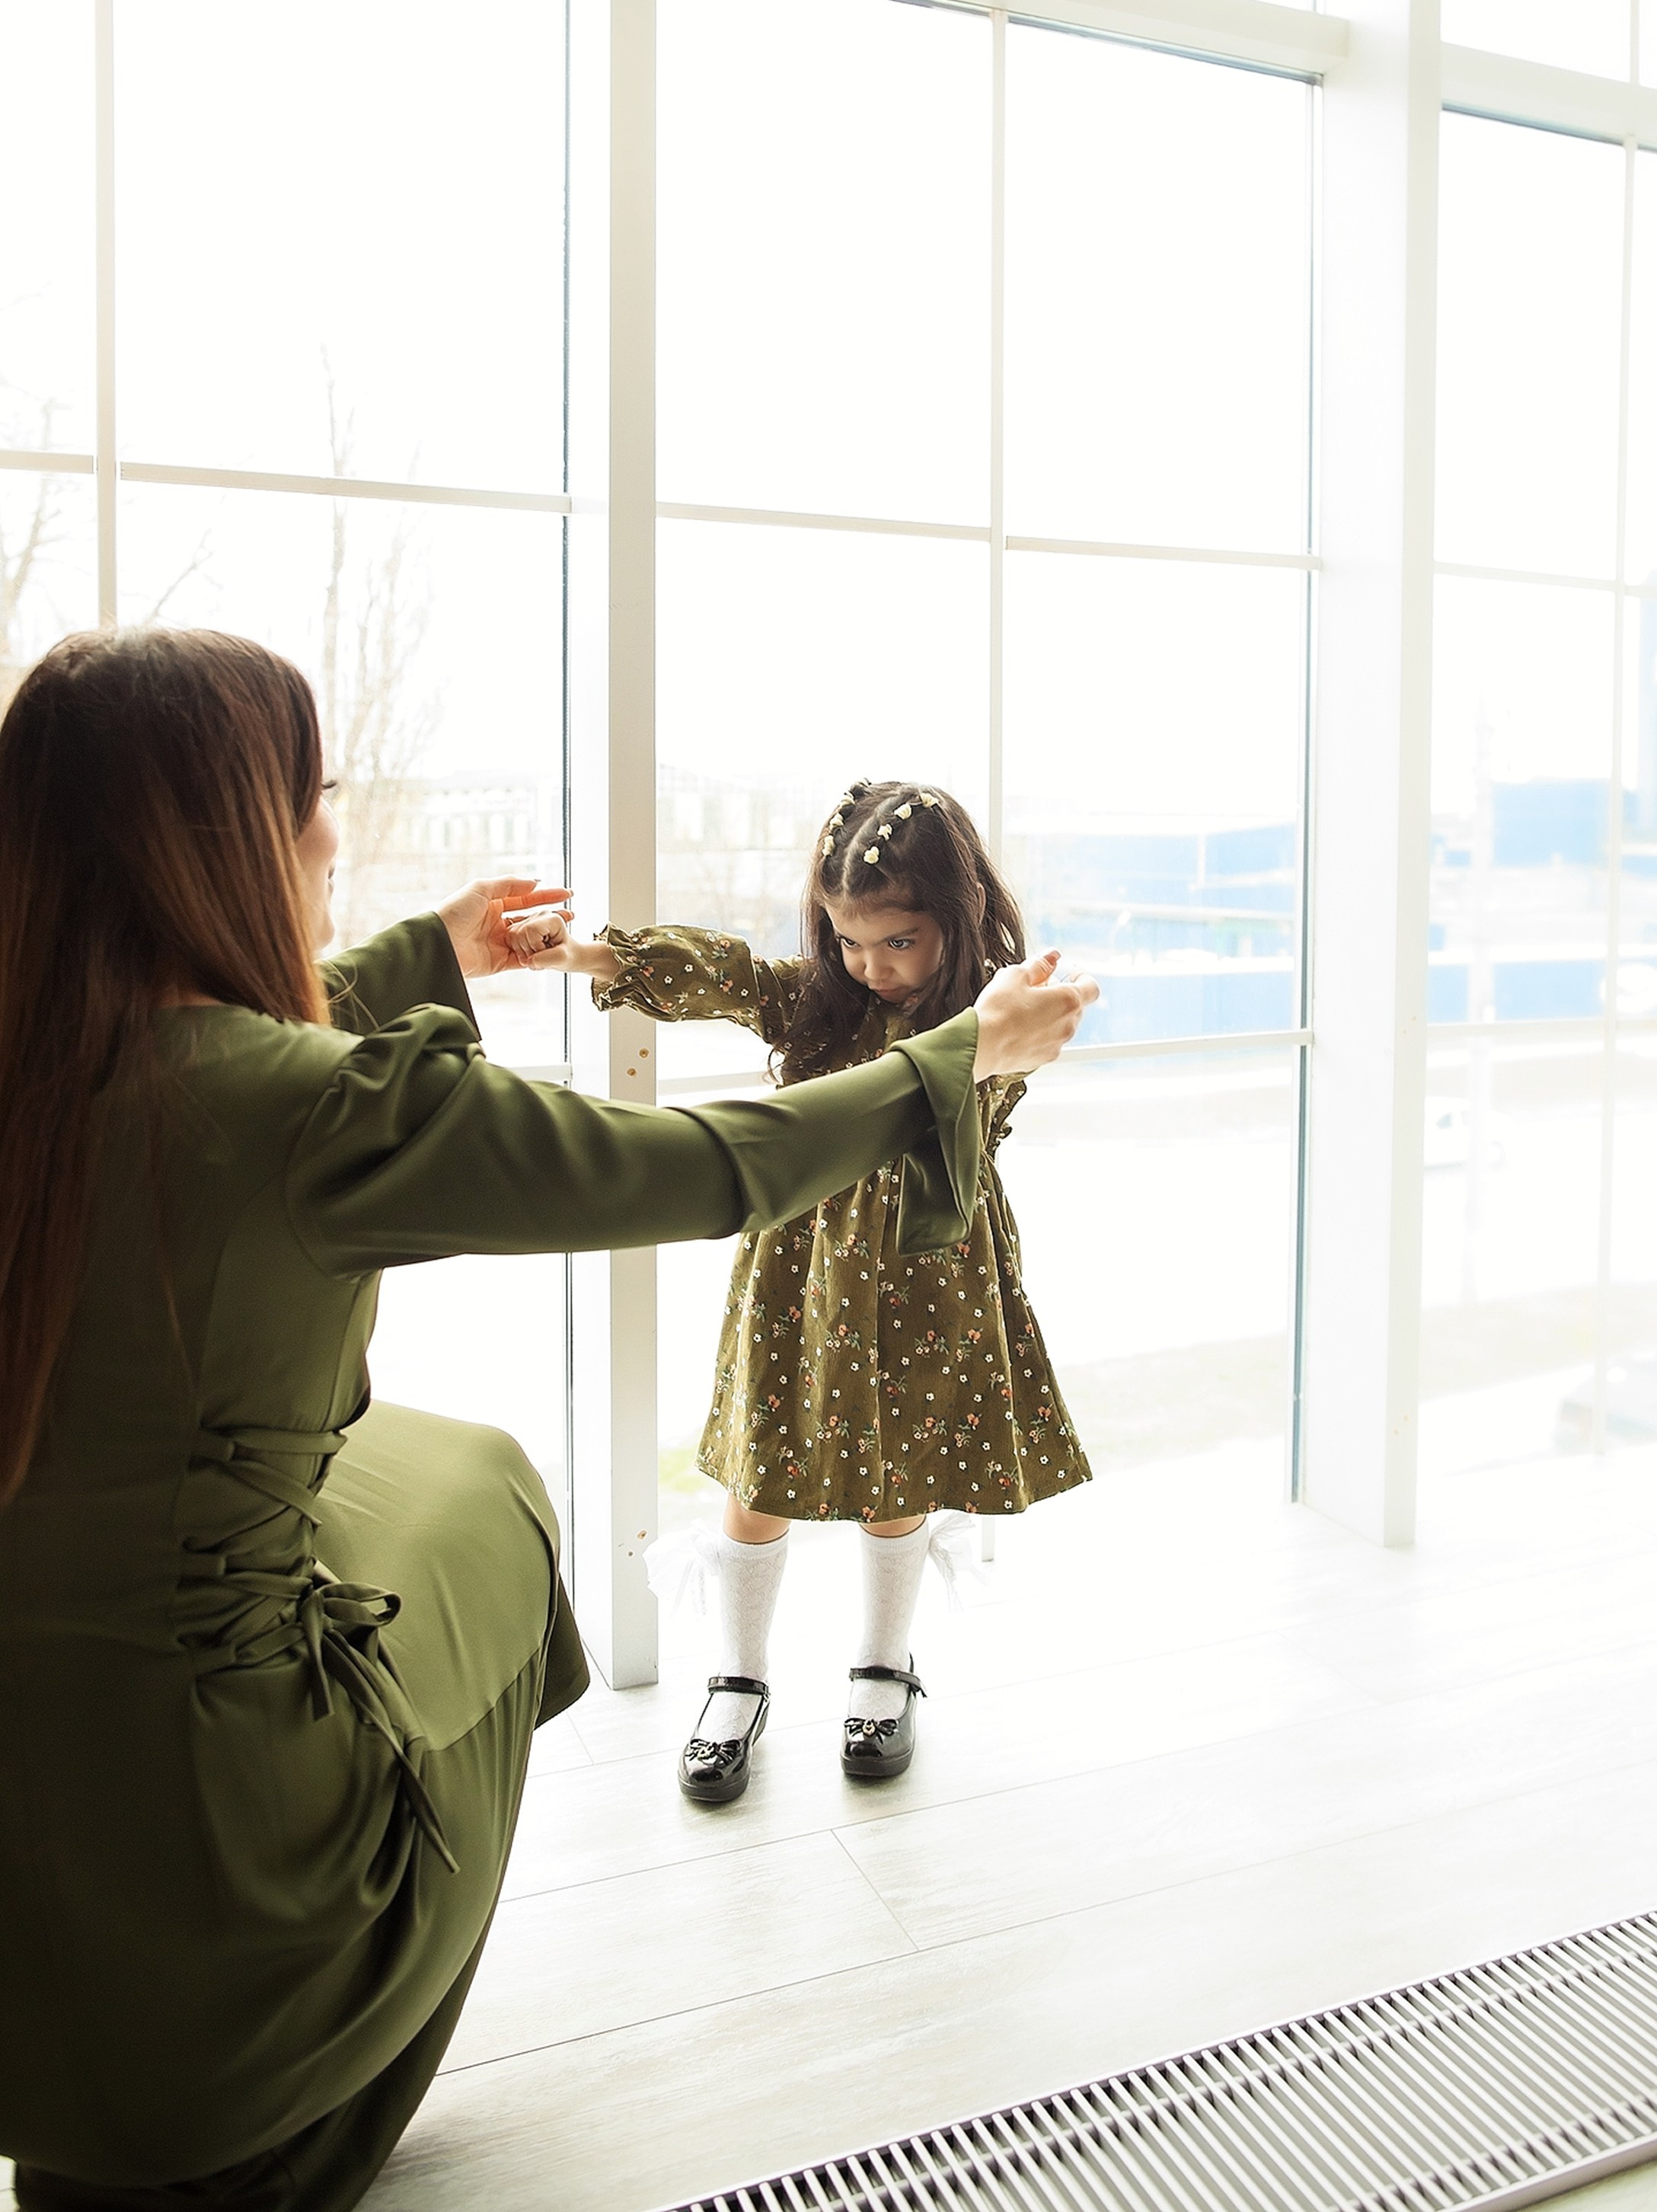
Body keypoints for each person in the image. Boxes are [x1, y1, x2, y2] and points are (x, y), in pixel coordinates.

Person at [0, 636, 1092, 2212]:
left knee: (415, 1465)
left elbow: (186, 1026)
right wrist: (957, 1056)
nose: (324, 833)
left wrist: (424, 955)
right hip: (222, 1836)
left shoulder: (48, 1049)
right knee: (500, 1504)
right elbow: (705, 1161)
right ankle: (316, 2019)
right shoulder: (315, 1110)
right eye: (305, 801)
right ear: (216, 839)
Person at [516, 778, 1093, 1805]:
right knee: (759, 1481)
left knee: (900, 1476)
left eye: (899, 943)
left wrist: (993, 1029)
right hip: (804, 1276)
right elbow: (727, 977)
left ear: (953, 927)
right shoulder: (820, 1004)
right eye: (848, 941)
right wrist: (597, 957)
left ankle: (884, 1667)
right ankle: (737, 1679)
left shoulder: (991, 1020)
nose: (870, 967)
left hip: (932, 1270)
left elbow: (967, 1095)